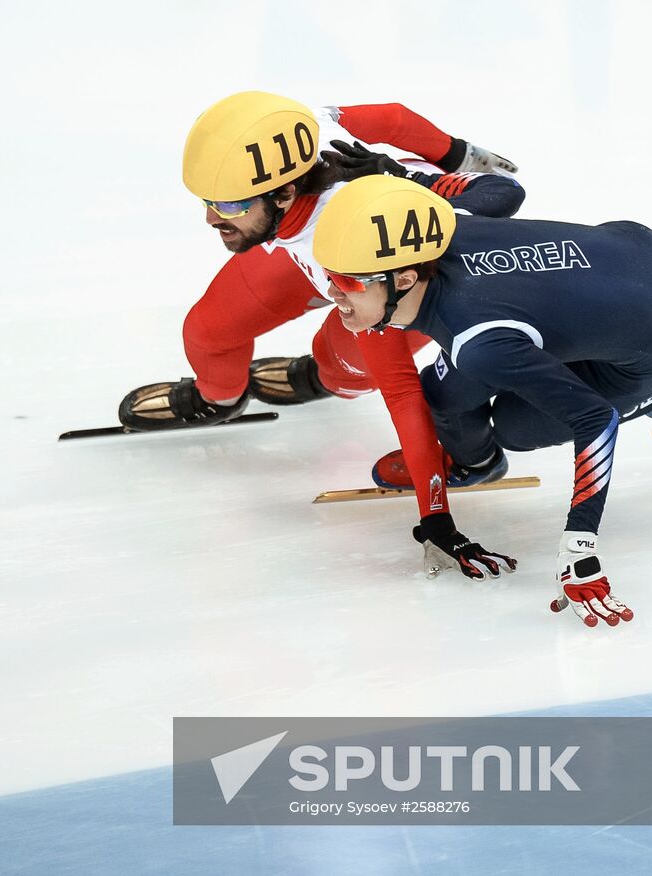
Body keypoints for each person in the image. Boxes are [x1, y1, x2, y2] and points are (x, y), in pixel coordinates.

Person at [119, 92, 525, 550]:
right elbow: (391, 117)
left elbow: (401, 390)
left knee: (341, 365)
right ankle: (221, 397)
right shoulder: (300, 128)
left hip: (391, 275)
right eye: (208, 201)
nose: (211, 218)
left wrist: (435, 514)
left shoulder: (351, 254)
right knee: (208, 330)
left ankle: (328, 378)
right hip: (318, 236)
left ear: (285, 191)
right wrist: (456, 153)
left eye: (229, 206)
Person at [312, 175, 652, 627]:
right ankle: (477, 460)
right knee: (443, 393)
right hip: (635, 248)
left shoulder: (479, 342)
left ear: (404, 279)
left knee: (516, 429)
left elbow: (595, 418)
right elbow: (502, 190)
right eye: (329, 277)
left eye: (346, 281)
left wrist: (579, 547)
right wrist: (416, 178)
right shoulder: (442, 224)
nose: (332, 293)